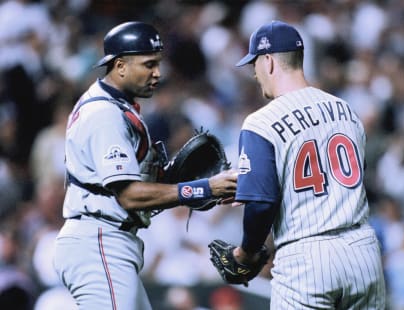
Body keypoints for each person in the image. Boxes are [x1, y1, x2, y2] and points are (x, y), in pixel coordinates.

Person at [53, 21, 237, 310]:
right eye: (149, 64)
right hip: (99, 240)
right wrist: (202, 188)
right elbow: (129, 195)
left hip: (107, 240)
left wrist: (180, 184)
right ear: (120, 65)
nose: (158, 73)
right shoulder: (105, 115)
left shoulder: (114, 107)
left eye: (158, 63)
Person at [230, 20, 386, 309]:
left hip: (307, 256)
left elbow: (262, 203)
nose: (254, 73)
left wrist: (248, 251)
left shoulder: (260, 122)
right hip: (363, 250)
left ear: (269, 61)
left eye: (255, 63)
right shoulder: (346, 110)